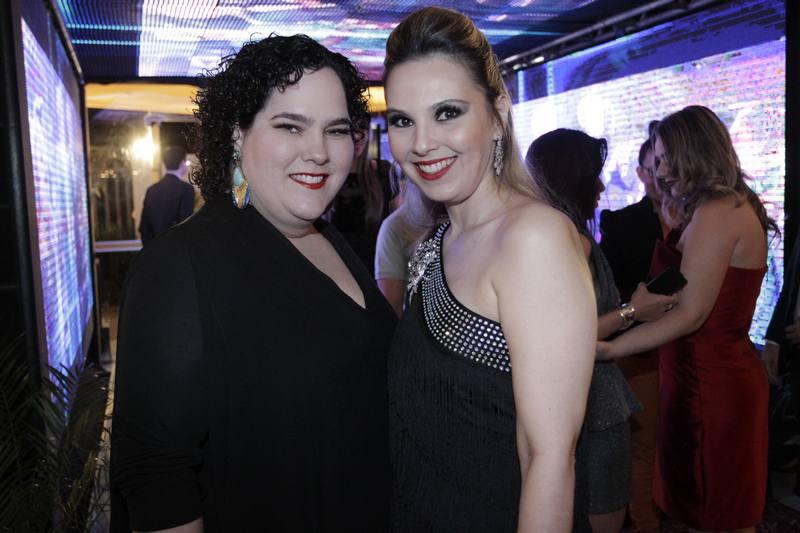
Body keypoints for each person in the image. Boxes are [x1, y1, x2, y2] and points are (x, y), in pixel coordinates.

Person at [110, 35, 397, 532]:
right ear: (238, 135)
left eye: (335, 130)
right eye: (290, 126)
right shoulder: (181, 264)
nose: (319, 152)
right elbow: (158, 479)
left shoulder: (332, 240)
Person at [383, 8, 597, 532]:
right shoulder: (435, 239)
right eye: (403, 120)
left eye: (447, 113)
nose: (421, 142)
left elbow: (549, 459)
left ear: (497, 115)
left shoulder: (532, 239)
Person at [598, 105, 774, 532]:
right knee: (705, 511)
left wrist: (610, 349)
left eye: (664, 158)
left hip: (711, 385)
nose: (659, 171)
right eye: (656, 160)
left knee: (718, 514)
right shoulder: (714, 208)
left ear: (693, 150)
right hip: (694, 378)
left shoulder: (719, 212)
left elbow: (690, 315)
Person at [527, 129, 677, 533]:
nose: (601, 187)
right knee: (601, 511)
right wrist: (633, 311)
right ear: (571, 180)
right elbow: (564, 335)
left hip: (572, 397)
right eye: (593, 176)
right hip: (595, 400)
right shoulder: (570, 241)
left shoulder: (547, 236)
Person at [599, 136, 667, 533]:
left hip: (688, 352)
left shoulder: (698, 219)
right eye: (655, 166)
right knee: (644, 447)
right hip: (639, 352)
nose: (664, 174)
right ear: (641, 173)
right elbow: (609, 294)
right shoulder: (621, 222)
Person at [138, 145, 195, 243]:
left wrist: (151, 248)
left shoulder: (152, 190)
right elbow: (186, 224)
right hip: (176, 248)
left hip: (155, 248)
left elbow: (144, 227)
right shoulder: (186, 189)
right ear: (182, 163)